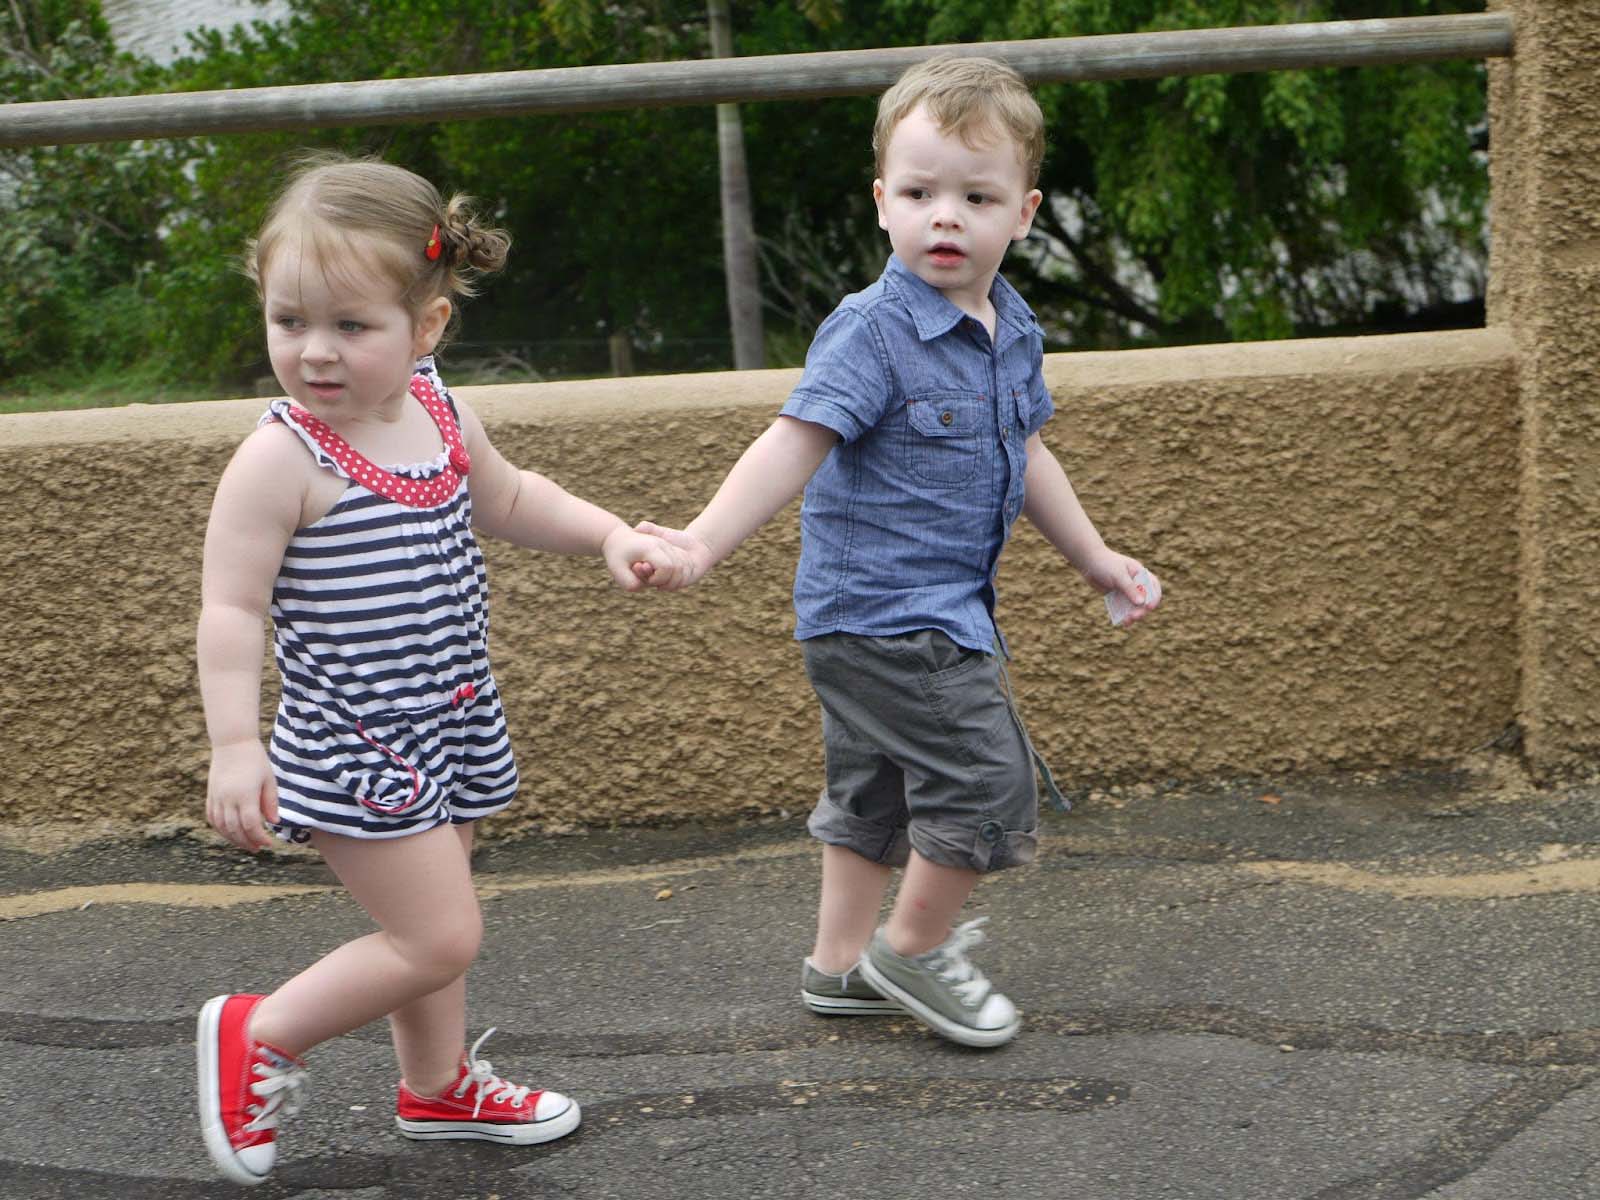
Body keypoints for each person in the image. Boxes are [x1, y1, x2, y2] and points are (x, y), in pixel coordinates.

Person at [637, 56, 1161, 1048]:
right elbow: (792, 440)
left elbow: (1027, 451)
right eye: (919, 194)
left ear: (1024, 213)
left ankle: (839, 968)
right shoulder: (871, 333)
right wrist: (702, 541)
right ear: (883, 203)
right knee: (985, 782)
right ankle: (912, 950)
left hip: (920, 616)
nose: (945, 218)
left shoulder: (1011, 331)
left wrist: (1095, 559)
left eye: (976, 196)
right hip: (884, 620)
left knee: (873, 791)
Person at [194, 153, 687, 1185]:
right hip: (357, 742)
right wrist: (236, 748)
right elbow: (231, 610)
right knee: (438, 936)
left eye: (350, 326)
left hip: (448, 722)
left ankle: (436, 1086)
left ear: (425, 328)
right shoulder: (281, 460)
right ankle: (262, 1031)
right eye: (290, 322)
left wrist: (604, 535)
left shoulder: (439, 411)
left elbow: (509, 499)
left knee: (432, 916)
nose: (315, 353)